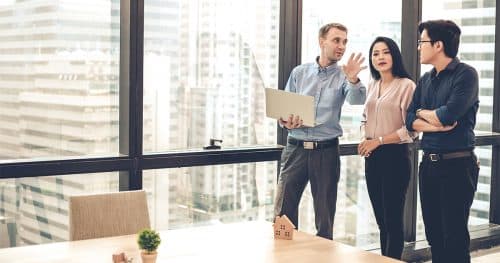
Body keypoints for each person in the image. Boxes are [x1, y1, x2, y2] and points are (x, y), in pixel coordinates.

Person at [274, 22, 366, 240]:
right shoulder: (299, 73)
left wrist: (353, 79)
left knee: (325, 216)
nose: (341, 46)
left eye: (344, 41)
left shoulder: (344, 76)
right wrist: (286, 121)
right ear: (321, 41)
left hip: (326, 152)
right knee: (283, 212)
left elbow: (357, 99)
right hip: (295, 149)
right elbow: (284, 111)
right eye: (336, 40)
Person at [406, 20, 480, 263]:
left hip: (457, 166)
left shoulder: (466, 75)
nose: (419, 47)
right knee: (434, 236)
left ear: (438, 45)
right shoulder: (425, 80)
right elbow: (409, 118)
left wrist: (426, 114)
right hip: (429, 166)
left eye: (422, 42)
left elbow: (448, 115)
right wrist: (429, 118)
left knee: (454, 237)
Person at [357, 36, 416, 260]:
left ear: (395, 55)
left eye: (385, 52)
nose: (380, 57)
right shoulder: (373, 85)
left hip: (395, 156)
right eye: (375, 54)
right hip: (372, 157)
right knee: (381, 220)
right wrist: (365, 139)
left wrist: (378, 140)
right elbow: (364, 118)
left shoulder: (406, 85)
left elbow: (410, 130)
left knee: (392, 219)